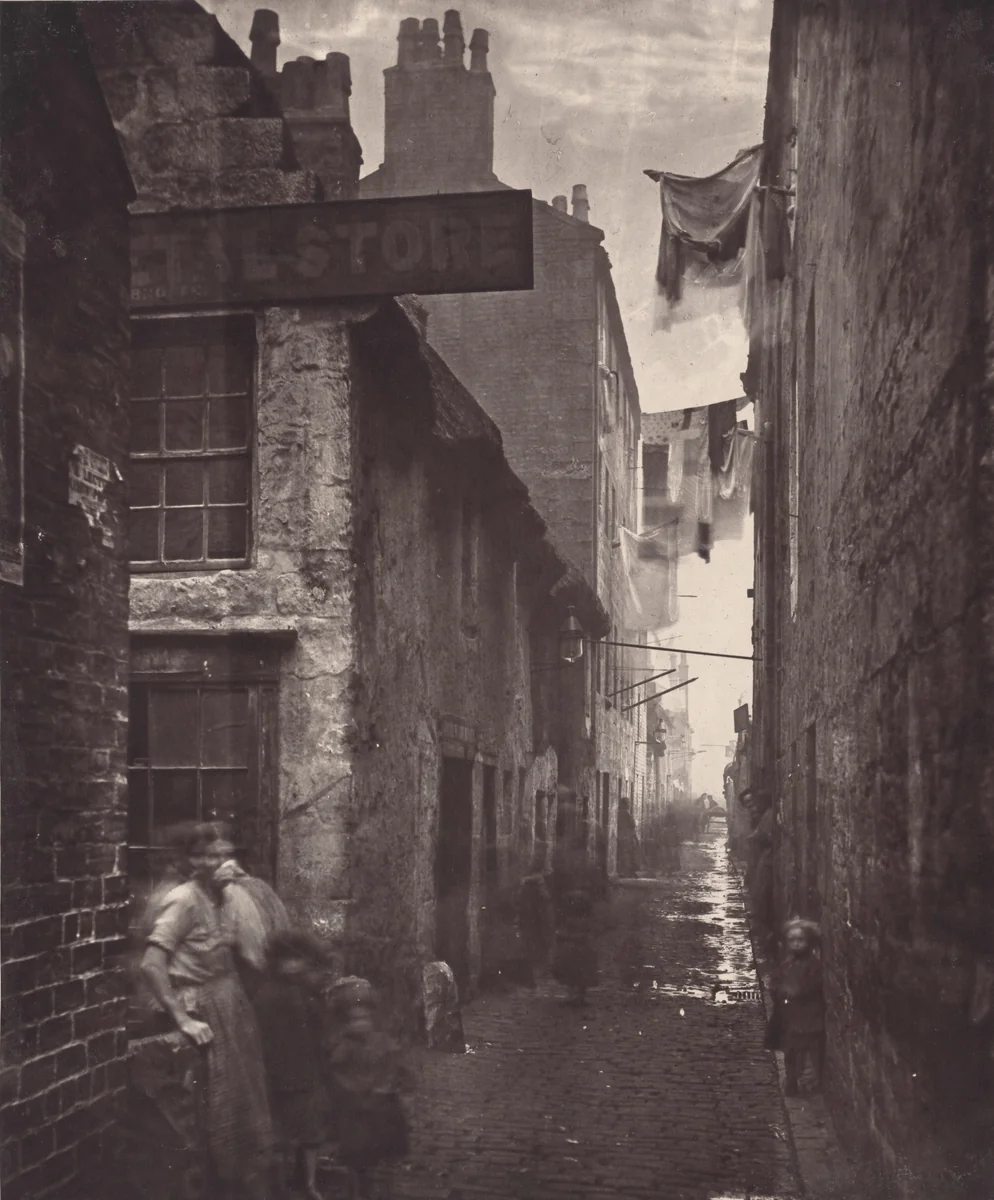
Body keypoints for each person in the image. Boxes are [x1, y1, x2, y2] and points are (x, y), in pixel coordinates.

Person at [141, 823, 273, 1199]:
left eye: (225, 854)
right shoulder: (182, 900)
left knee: (243, 1098)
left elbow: (244, 953)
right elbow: (151, 964)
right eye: (210, 855)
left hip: (231, 1004)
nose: (221, 862)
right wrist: (182, 1018)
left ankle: (236, 1181)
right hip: (199, 1005)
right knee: (208, 1103)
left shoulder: (228, 897)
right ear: (193, 861)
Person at [254, 930, 332, 1200]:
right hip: (277, 1074)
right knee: (282, 1133)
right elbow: (261, 1036)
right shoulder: (267, 994)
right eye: (287, 960)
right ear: (276, 962)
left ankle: (309, 1182)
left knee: (310, 1132)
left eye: (298, 960)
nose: (293, 965)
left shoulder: (307, 993)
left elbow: (320, 1030)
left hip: (306, 1072)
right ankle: (282, 1182)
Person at [327, 978, 415, 1200]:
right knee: (356, 1159)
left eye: (365, 1019)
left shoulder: (381, 1042)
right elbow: (336, 1075)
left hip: (379, 1110)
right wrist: (352, 1091)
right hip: (355, 1112)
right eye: (355, 1020)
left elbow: (396, 1066)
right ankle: (357, 1192)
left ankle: (378, 1189)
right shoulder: (343, 1047)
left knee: (378, 1155)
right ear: (346, 1022)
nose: (361, 1024)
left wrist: (392, 1085)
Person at [766, 918, 824, 1095]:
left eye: (800, 940)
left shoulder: (813, 965)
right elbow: (777, 981)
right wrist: (775, 987)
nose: (796, 944)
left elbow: (812, 987)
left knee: (807, 1051)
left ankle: (807, 1083)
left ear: (809, 942)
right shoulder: (787, 963)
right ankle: (791, 1081)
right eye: (792, 940)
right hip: (789, 1016)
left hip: (807, 1016)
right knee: (790, 1050)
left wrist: (793, 991)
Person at [215, 855, 291, 987]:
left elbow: (230, 936)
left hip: (251, 965)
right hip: (276, 957)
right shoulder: (262, 885)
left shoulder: (229, 891)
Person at [551, 887, 599, 1007]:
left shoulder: (569, 920)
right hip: (583, 951)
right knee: (582, 973)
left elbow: (565, 933)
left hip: (571, 951)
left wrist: (561, 937)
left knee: (571, 973)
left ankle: (573, 994)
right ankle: (580, 995)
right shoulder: (586, 920)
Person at [517, 857, 555, 987]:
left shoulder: (527, 884)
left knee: (531, 946)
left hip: (530, 919)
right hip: (537, 919)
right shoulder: (539, 883)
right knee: (540, 944)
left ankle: (534, 974)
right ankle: (539, 972)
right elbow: (545, 901)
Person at [660, 806, 681, 873]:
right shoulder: (673, 816)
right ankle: (673, 868)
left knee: (668, 853)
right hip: (672, 836)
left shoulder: (667, 816)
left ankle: (668, 869)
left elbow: (664, 824)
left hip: (668, 835)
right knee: (673, 853)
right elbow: (676, 825)